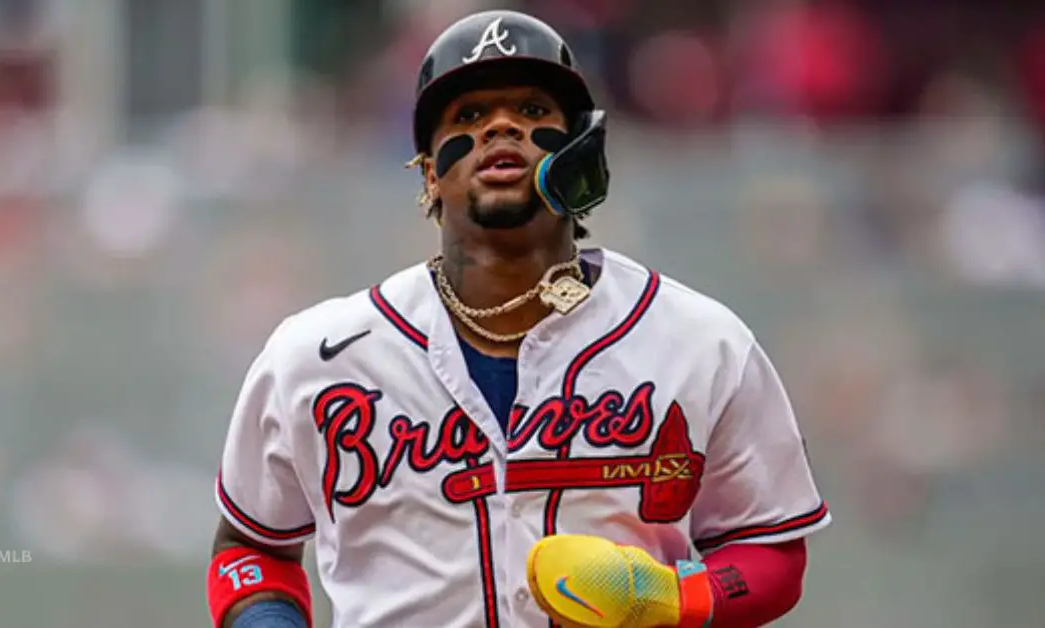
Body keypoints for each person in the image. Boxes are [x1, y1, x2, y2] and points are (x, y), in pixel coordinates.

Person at [206, 9, 830, 628]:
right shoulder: (319, 356)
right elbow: (251, 547)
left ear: (581, 150)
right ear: (429, 171)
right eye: (468, 116)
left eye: (533, 111)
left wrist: (671, 597)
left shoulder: (701, 343)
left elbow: (771, 549)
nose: (500, 125)